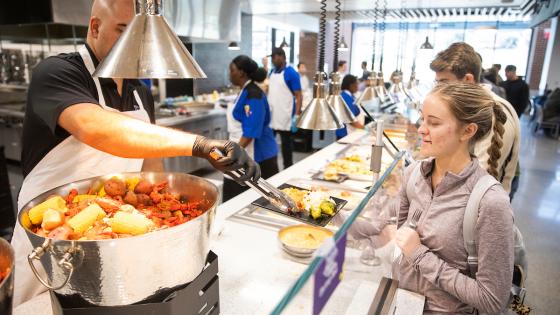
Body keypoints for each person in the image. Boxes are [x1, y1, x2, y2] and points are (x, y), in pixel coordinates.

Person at [12, 0, 259, 306]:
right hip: (51, 241)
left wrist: (163, 217)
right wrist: (199, 145)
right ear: (95, 27)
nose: (133, 44)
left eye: (139, 35)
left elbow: (149, 167)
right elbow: (97, 128)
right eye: (122, 30)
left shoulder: (140, 91)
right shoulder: (58, 72)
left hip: (116, 242)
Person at [393, 83, 514, 314]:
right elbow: (400, 237)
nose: (421, 129)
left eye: (434, 122)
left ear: (468, 131)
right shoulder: (413, 175)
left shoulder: (490, 202)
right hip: (403, 303)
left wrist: (420, 255)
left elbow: (492, 300)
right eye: (422, 119)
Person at [430, 42, 520, 194]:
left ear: (468, 79)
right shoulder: (469, 106)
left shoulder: (492, 113)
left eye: (444, 82)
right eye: (437, 83)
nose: (438, 89)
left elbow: (479, 179)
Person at [223, 55, 279, 201]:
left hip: (259, 156)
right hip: (244, 151)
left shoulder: (254, 95)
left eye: (232, 70)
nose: (230, 74)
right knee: (236, 199)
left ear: (241, 72)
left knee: (260, 201)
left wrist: (231, 156)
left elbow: (250, 132)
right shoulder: (245, 90)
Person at [267, 47, 302, 169]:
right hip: (272, 116)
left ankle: (288, 168)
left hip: (285, 116)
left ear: (282, 57)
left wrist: (297, 115)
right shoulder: (272, 72)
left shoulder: (291, 73)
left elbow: (298, 95)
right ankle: (271, 168)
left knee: (286, 146)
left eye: (274, 57)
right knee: (269, 145)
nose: (273, 60)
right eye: (272, 57)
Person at [335, 75, 364, 139]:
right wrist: (364, 129)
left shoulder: (350, 96)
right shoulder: (345, 97)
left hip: (350, 132)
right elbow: (350, 120)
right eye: (356, 84)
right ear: (351, 85)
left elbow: (356, 112)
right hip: (344, 134)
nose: (358, 86)